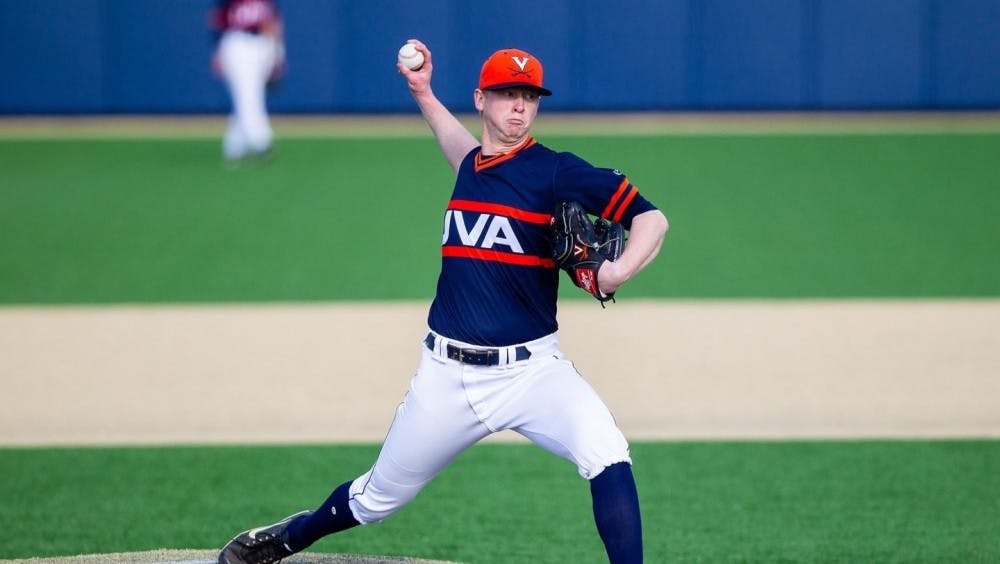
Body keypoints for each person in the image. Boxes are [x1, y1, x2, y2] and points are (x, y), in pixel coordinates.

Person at [218, 39, 668, 564]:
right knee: (374, 499)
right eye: (506, 94)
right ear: (481, 99)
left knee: (608, 453)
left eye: (529, 95)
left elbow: (651, 218)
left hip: (533, 372)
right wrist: (424, 93)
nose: (519, 106)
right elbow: (462, 150)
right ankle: (287, 538)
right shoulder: (473, 167)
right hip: (445, 376)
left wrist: (614, 272)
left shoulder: (554, 171)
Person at [209, 0, 285, 162]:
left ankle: (234, 147)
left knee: (250, 95)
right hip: (237, 42)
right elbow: (217, 19)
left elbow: (273, 22)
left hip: (262, 43)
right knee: (247, 94)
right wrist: (217, 52)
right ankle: (261, 140)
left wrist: (277, 54)